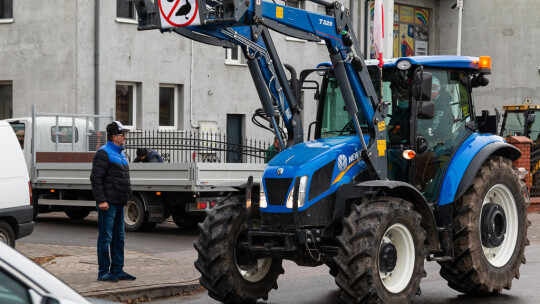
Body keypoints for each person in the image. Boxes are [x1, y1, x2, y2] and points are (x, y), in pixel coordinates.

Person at [90, 121, 136, 283]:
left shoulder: (121, 153)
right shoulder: (103, 153)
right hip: (108, 204)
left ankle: (117, 270)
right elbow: (96, 179)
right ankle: (103, 273)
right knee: (106, 238)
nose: (125, 137)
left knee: (119, 238)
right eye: (123, 134)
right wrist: (101, 200)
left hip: (119, 203)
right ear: (114, 137)